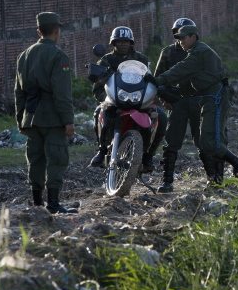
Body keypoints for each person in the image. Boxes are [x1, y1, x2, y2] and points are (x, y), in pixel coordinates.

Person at [152, 24, 238, 185]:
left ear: (193, 36)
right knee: (205, 141)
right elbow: (184, 80)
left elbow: (180, 70)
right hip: (206, 98)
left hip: (216, 97)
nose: (181, 41)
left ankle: (235, 166)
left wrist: (157, 81)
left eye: (183, 37)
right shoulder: (191, 52)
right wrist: (166, 93)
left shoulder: (200, 52)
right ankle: (236, 164)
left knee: (212, 141)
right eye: (178, 38)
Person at [15, 12, 77, 214]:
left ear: (38, 31)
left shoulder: (24, 55)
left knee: (35, 159)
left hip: (31, 117)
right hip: (52, 117)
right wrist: (68, 120)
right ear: (57, 31)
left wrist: (20, 119)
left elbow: (19, 92)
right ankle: (53, 202)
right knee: (57, 158)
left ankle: (36, 202)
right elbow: (62, 93)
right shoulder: (59, 57)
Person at [89, 26, 167, 173]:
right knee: (99, 111)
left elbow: (149, 80)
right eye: (119, 41)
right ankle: (102, 149)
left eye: (126, 41)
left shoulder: (141, 59)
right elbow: (97, 86)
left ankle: (148, 156)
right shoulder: (106, 60)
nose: (123, 44)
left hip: (139, 100)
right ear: (113, 43)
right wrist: (105, 98)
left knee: (161, 117)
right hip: (114, 99)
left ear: (131, 43)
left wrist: (152, 94)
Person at [153, 17, 202, 192]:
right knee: (171, 143)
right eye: (178, 34)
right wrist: (165, 98)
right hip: (177, 103)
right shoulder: (167, 53)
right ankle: (167, 180)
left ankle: (215, 177)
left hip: (198, 102)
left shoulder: (201, 51)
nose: (181, 38)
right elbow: (157, 79)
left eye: (185, 34)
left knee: (204, 140)